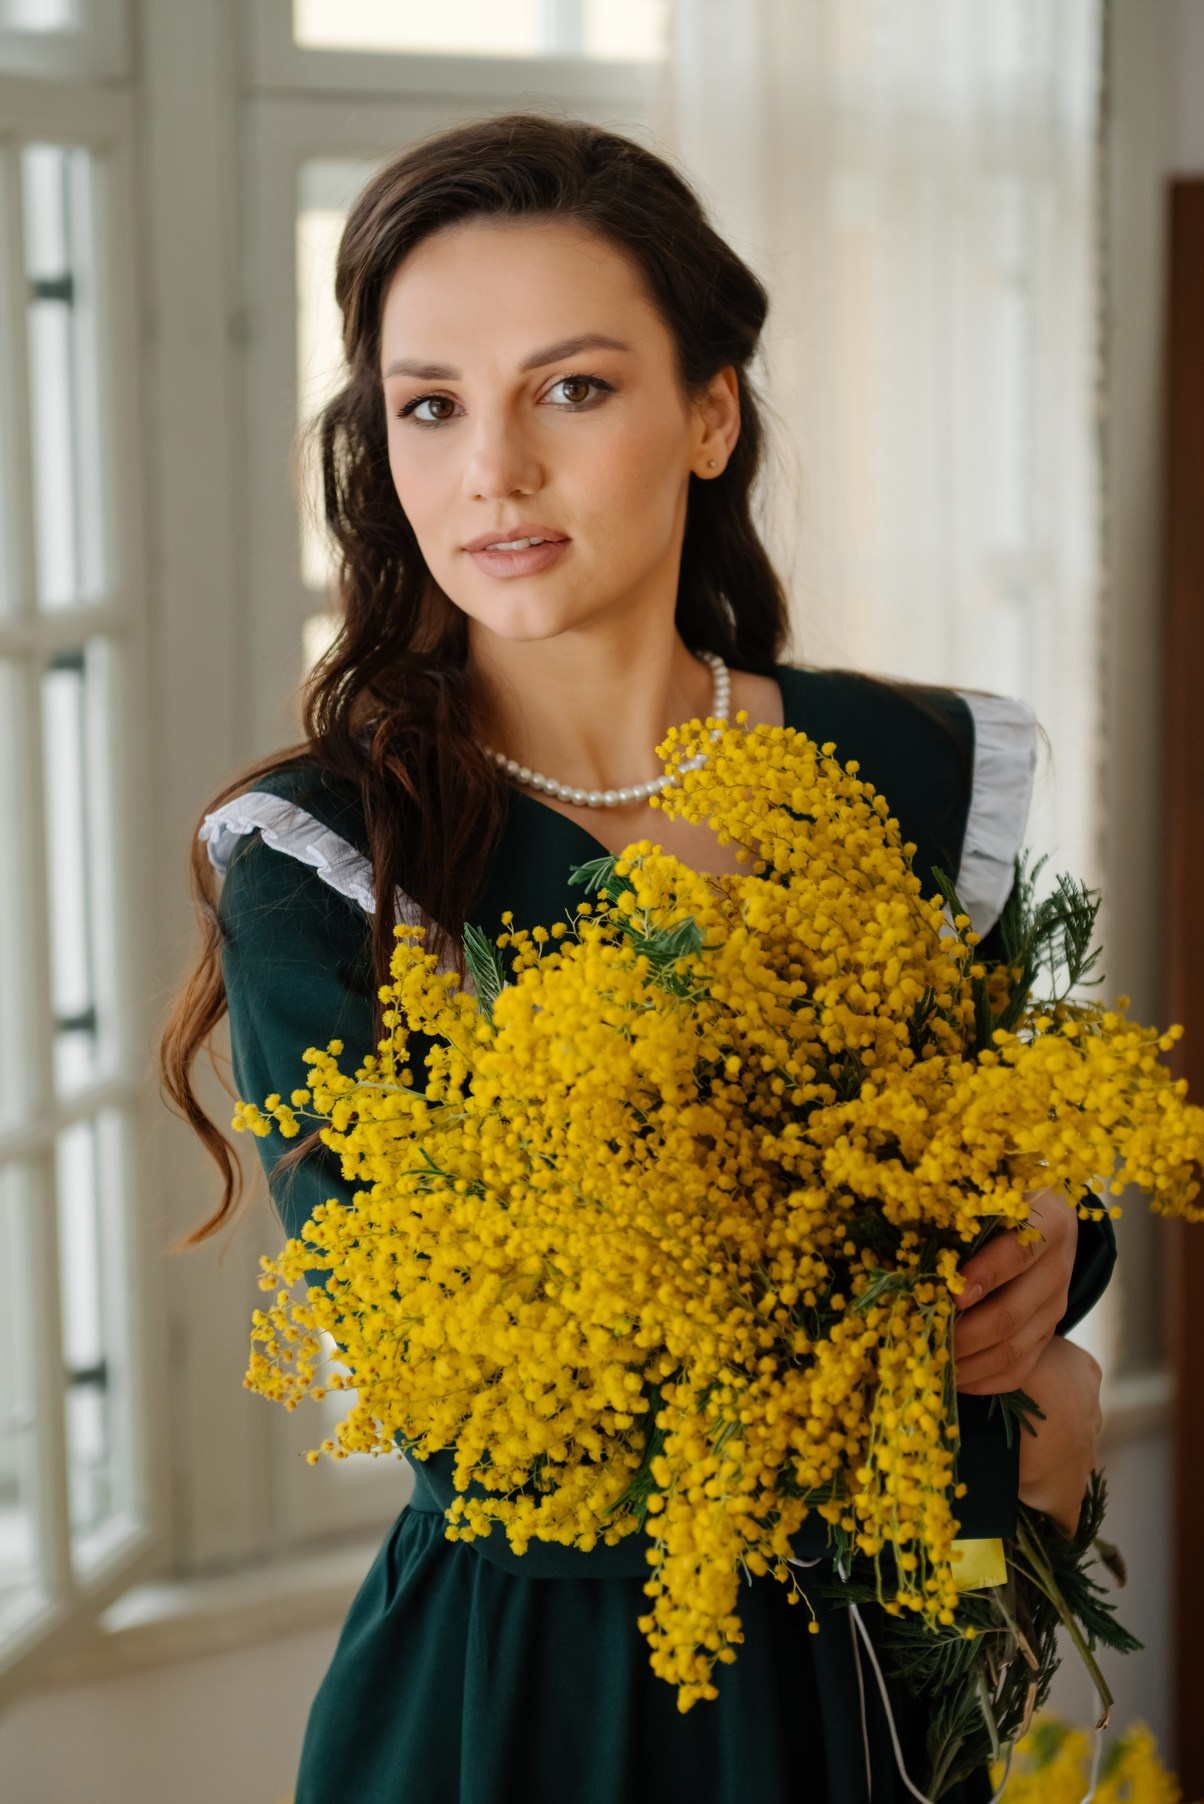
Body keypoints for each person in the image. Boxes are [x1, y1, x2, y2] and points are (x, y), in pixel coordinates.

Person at [162, 112, 1113, 1804]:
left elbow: (1008, 1143)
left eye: (574, 389)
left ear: (711, 414)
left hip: (887, 1679)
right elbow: (464, 1391)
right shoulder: (325, 858)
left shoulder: (913, 766)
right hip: (527, 1697)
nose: (492, 473)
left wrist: (1054, 1239)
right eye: (430, 404)